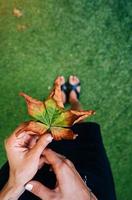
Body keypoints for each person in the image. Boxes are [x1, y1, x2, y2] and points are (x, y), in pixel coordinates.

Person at [0, 76, 116, 200]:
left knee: (70, 123)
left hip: (30, 169)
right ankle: (72, 98)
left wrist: (13, 186)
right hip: (92, 184)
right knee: (79, 131)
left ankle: (66, 97)